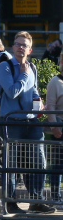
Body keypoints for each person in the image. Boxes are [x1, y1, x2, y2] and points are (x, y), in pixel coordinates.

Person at [0, 31, 55, 213]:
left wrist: (40, 101)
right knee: (12, 164)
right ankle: (10, 202)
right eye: (17, 43)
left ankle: (36, 201)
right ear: (13, 47)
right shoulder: (5, 67)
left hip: (32, 122)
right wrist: (23, 75)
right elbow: (12, 92)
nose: (20, 47)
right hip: (12, 122)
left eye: (24, 45)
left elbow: (34, 89)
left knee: (38, 162)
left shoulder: (32, 67)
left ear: (30, 49)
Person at [47, 55, 63, 202]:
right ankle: (55, 196)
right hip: (60, 127)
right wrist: (54, 126)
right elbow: (50, 105)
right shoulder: (55, 82)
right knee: (58, 164)